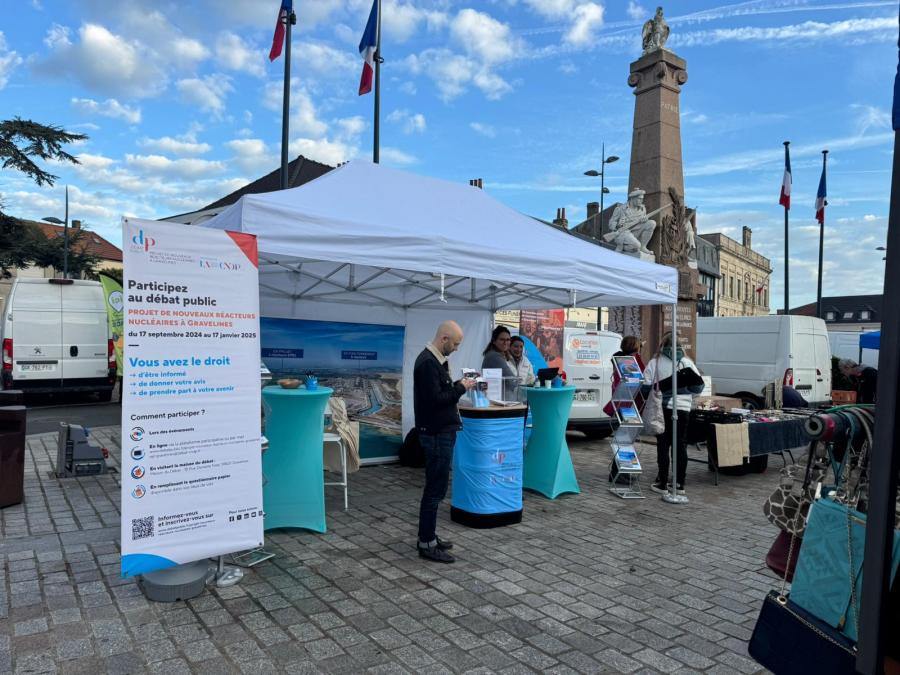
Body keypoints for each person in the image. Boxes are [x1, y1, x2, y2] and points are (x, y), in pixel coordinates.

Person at [413, 321, 476, 563]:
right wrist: (461, 387)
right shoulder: (428, 362)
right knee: (434, 490)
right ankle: (426, 543)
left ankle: (428, 536)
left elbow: (439, 393)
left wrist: (456, 385)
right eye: (456, 344)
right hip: (437, 434)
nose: (458, 348)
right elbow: (436, 400)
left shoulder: (433, 360)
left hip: (440, 431)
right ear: (444, 339)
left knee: (437, 489)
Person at [642, 334, 704, 494]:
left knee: (663, 444)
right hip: (683, 409)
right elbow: (698, 388)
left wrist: (664, 389)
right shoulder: (686, 362)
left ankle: (662, 482)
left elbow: (645, 387)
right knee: (680, 445)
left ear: (661, 345)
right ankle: (679, 484)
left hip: (662, 408)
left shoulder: (654, 362)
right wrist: (682, 390)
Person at [603, 335, 645, 417]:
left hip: (622, 397)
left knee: (627, 425)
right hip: (628, 400)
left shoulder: (620, 357)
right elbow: (634, 382)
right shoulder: (627, 361)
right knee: (630, 425)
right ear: (635, 348)